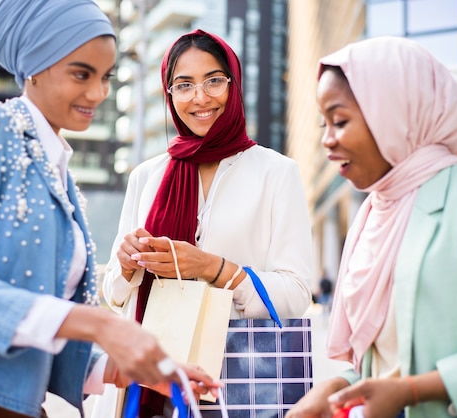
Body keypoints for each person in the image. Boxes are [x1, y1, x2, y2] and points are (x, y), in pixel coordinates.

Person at [0, 2, 218, 418]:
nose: (98, 93)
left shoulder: (62, 180)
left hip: (12, 406)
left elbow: (43, 334)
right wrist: (103, 325)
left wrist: (130, 371)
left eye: (105, 76)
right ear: (33, 64)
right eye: (81, 73)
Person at [286, 36, 457, 418]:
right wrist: (338, 388)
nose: (327, 140)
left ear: (394, 113)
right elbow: (390, 362)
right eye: (323, 124)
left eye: (339, 120)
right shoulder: (373, 216)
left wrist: (412, 392)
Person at [102, 29, 313, 417]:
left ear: (233, 84)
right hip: (153, 382)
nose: (200, 98)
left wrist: (214, 269)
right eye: (184, 85)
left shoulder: (276, 172)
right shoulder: (147, 176)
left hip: (241, 384)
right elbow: (115, 294)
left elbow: (297, 293)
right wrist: (127, 264)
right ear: (169, 94)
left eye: (214, 80)